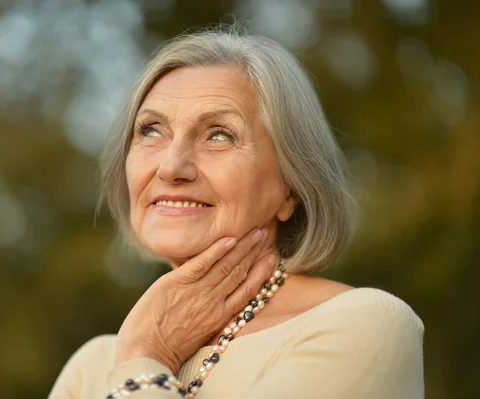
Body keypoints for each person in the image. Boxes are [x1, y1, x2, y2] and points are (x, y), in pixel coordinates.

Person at [49, 27, 424, 399]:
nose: (170, 166)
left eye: (219, 135)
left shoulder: (363, 324)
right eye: (151, 130)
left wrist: (144, 358)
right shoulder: (92, 365)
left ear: (291, 187)